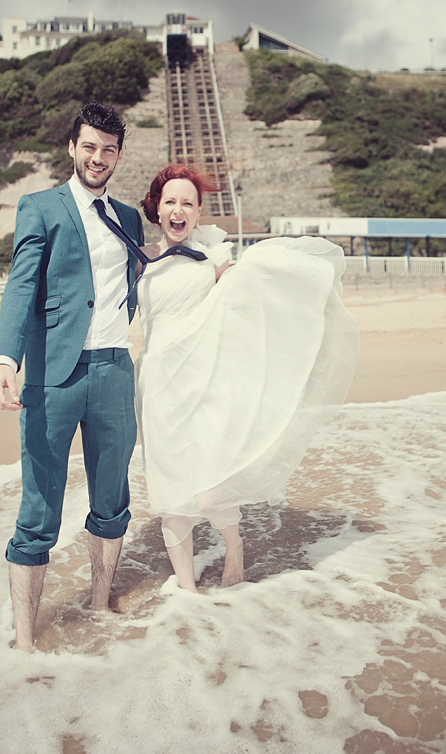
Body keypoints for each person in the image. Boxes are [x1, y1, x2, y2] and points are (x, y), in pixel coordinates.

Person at [135, 165, 359, 592]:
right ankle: (187, 592)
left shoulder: (213, 257)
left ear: (199, 212)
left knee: (208, 490)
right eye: (170, 202)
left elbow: (248, 297)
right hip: (159, 387)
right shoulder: (139, 260)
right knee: (171, 496)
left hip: (206, 381)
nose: (178, 210)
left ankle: (233, 548)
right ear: (157, 208)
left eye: (188, 202)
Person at [0, 102, 144, 651]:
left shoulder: (129, 218)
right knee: (39, 509)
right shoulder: (40, 207)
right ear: (72, 148)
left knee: (112, 498)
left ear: (119, 155)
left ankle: (100, 606)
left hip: (114, 372)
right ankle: (26, 642)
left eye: (108, 149)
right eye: (89, 146)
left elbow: (138, 282)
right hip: (53, 376)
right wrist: (6, 358)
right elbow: (19, 287)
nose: (97, 157)